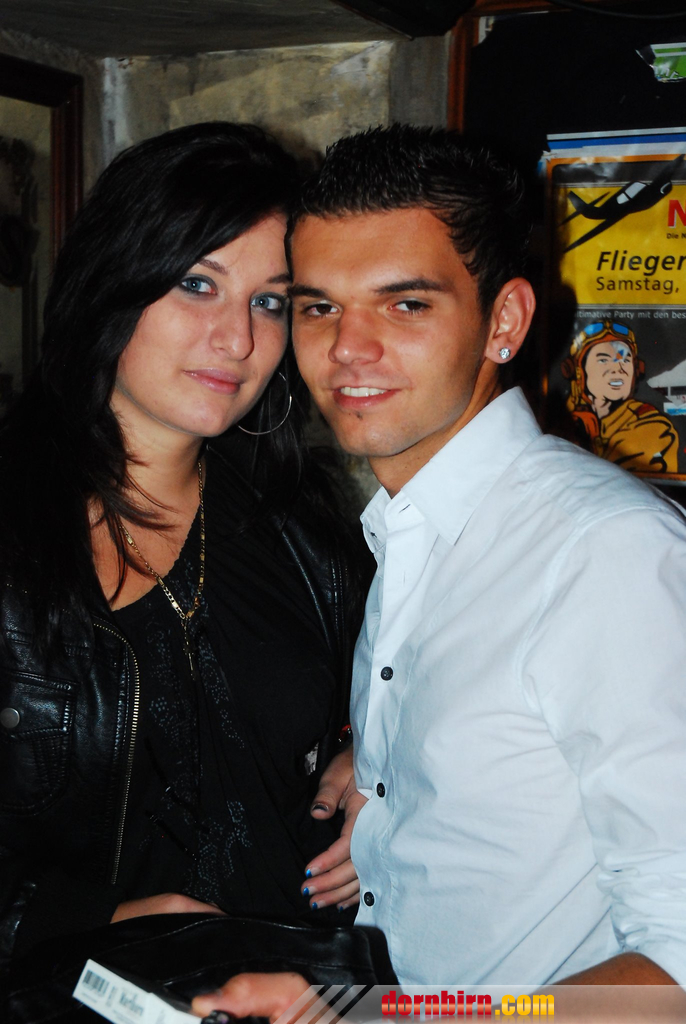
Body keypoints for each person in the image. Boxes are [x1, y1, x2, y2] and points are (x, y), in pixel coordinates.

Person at [192, 124, 686, 1018]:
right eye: (318, 308)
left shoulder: (604, 553)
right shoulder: (407, 531)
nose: (349, 348)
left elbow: (678, 970)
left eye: (406, 305)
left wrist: (385, 1021)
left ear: (505, 323)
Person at [0, 121, 364, 970]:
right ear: (113, 281)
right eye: (198, 284)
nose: (238, 340)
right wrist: (84, 921)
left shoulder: (302, 530)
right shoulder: (16, 531)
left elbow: (392, 690)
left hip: (302, 987)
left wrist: (377, 756)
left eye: (269, 302)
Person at [561, 319, 678, 474]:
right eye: (603, 360)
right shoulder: (563, 415)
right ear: (578, 371)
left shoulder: (652, 426)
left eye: (625, 360)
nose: (618, 369)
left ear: (636, 370)